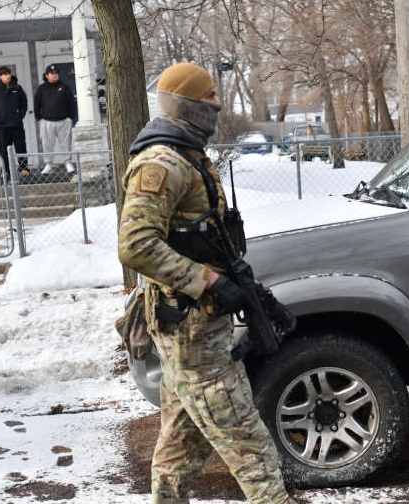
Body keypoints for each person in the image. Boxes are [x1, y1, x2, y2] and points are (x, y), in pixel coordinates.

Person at [118, 62, 296, 504]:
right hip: (191, 334)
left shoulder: (188, 156)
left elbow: (208, 241)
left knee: (180, 444)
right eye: (209, 96)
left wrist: (255, 296)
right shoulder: (162, 163)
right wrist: (209, 282)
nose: (217, 103)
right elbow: (135, 245)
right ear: (186, 104)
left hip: (194, 330)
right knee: (250, 446)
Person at [0, 66, 29, 179]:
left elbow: (24, 103)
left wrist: (20, 116)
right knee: (3, 148)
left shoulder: (17, 88)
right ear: (0, 76)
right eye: (5, 74)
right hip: (2, 125)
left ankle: (24, 168)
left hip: (16, 124)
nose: (8, 76)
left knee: (21, 146)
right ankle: (6, 170)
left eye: (9, 73)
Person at [34, 64, 76, 174]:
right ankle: (48, 165)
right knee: (47, 144)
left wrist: (70, 118)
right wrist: (39, 118)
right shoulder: (41, 89)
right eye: (52, 73)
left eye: (56, 73)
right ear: (46, 75)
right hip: (47, 122)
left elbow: (72, 103)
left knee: (66, 143)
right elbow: (36, 105)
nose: (55, 75)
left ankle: (68, 163)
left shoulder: (64, 87)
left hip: (64, 121)